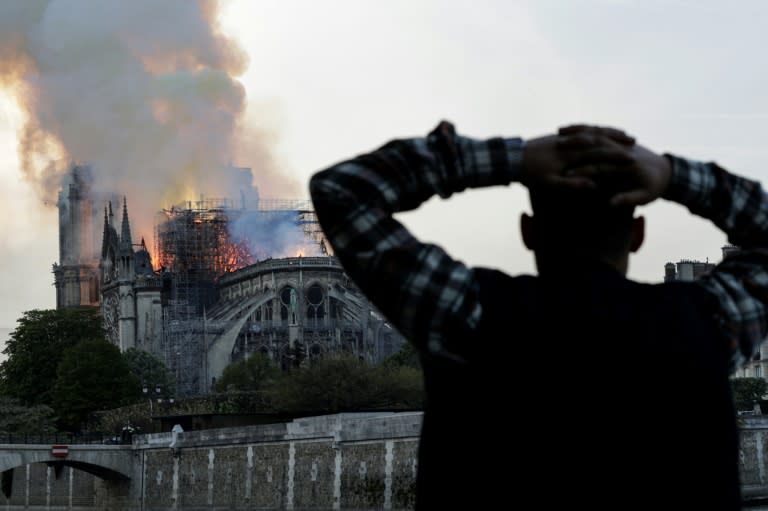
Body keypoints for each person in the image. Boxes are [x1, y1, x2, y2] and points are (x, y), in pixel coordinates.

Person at [309, 121, 768, 510]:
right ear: (638, 234)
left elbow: (343, 190)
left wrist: (514, 159)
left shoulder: (467, 313)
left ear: (527, 231)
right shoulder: (708, 325)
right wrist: (671, 174)